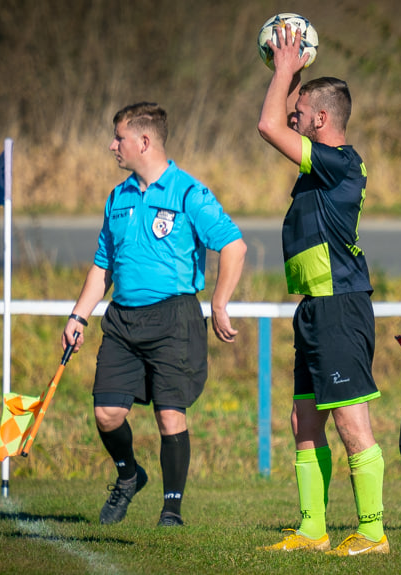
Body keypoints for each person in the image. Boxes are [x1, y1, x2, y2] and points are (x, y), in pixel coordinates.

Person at [63, 102, 246, 528]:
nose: (112, 146)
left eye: (118, 137)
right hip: (123, 320)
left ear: (144, 141)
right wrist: (78, 317)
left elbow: (234, 246)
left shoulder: (188, 192)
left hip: (174, 318)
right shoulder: (117, 196)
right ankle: (129, 476)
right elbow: (102, 266)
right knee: (106, 413)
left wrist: (219, 303)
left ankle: (171, 511)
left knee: (169, 415)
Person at [256, 24, 388, 556]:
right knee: (303, 419)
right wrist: (294, 70)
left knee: (351, 421)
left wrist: (288, 68)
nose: (294, 115)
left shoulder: (341, 162)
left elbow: (268, 125)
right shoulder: (320, 161)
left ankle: (373, 532)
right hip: (314, 308)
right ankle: (313, 529)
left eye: (303, 110)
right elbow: (282, 117)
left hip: (340, 307)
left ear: (323, 119)